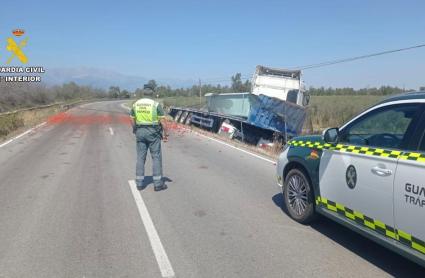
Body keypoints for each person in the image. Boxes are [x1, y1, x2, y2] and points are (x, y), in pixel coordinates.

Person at [130, 97, 169, 191]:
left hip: (140, 132)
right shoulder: (155, 105)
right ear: (152, 93)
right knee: (156, 157)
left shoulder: (136, 104)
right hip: (153, 134)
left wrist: (135, 130)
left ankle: (139, 184)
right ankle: (158, 184)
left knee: (140, 157)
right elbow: (163, 122)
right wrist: (165, 134)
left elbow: (132, 120)